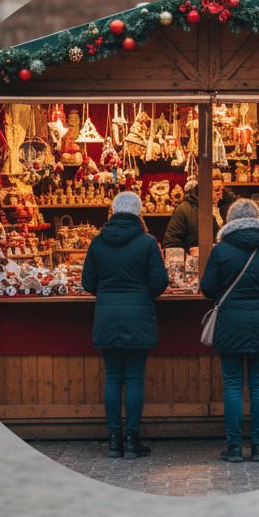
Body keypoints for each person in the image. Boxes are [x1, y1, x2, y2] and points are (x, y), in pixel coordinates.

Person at [82, 191, 169, 459]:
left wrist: (108, 293)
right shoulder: (147, 243)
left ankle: (113, 440)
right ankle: (132, 440)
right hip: (138, 316)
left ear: (113, 211)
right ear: (138, 212)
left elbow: (88, 282)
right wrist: (141, 293)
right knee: (133, 379)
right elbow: (160, 282)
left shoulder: (98, 242)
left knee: (112, 378)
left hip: (107, 315)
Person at [200, 199, 259, 463]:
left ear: (230, 221)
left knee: (233, 386)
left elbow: (208, 288)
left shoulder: (221, 250)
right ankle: (258, 446)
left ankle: (233, 447)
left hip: (231, 323)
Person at [164, 172, 236, 251]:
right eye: (216, 190)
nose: (220, 194)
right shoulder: (184, 210)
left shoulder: (230, 209)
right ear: (203, 189)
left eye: (222, 189)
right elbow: (170, 244)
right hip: (197, 260)